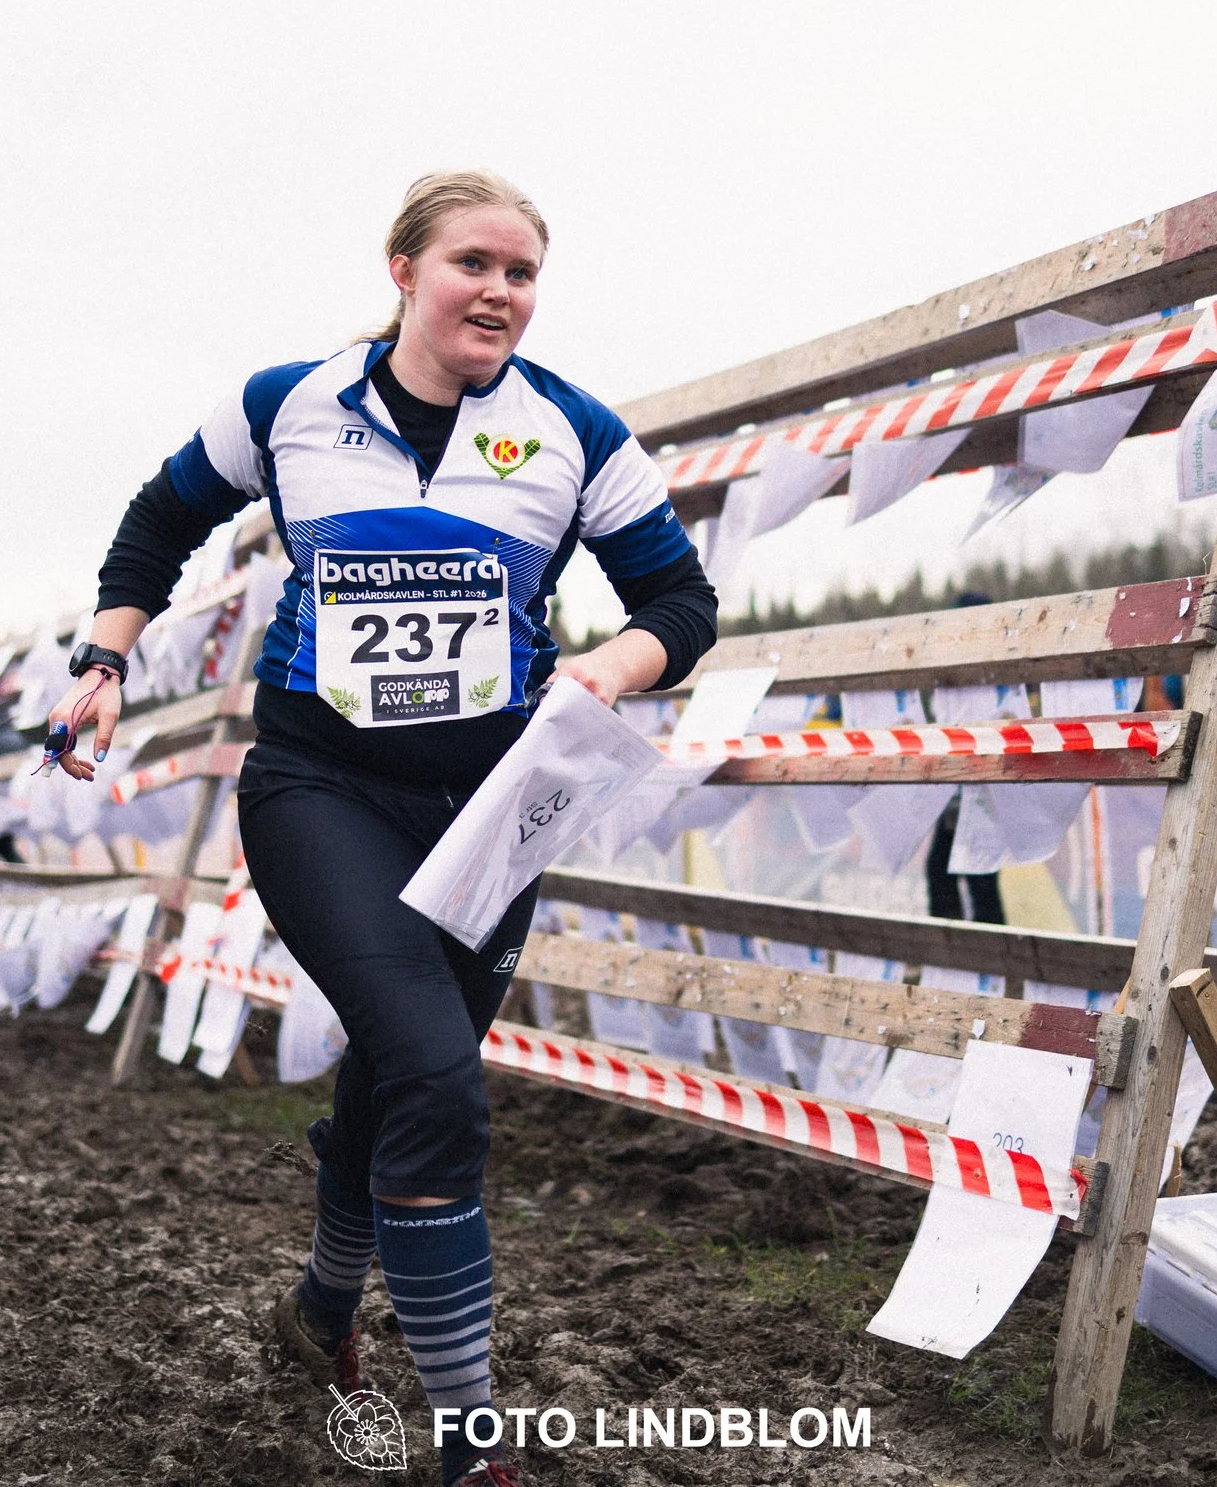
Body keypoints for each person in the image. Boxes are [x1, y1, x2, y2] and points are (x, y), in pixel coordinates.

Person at [46, 171, 717, 1487]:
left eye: (524, 273)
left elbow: (680, 597)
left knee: (406, 1069)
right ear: (404, 268)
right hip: (321, 790)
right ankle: (471, 1443)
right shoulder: (286, 404)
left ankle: (318, 1305)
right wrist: (106, 653)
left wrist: (622, 663)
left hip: (490, 812)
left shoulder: (573, 431)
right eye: (476, 262)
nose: (502, 292)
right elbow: (160, 517)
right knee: (438, 1071)